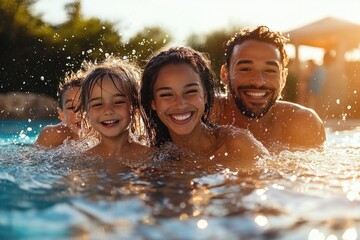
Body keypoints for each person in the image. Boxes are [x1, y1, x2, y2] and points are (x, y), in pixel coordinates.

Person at [140, 46, 269, 169]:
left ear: (206, 95)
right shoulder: (152, 157)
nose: (180, 104)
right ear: (153, 102)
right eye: (167, 94)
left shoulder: (236, 144)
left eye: (190, 91)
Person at [219, 26, 326, 152]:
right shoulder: (204, 116)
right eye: (246, 69)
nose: (258, 81)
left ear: (283, 78)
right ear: (225, 75)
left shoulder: (304, 124)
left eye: (270, 71)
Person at [80, 56, 149, 164]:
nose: (108, 111)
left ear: (135, 107)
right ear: (86, 112)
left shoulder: (150, 156)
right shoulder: (81, 160)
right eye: (98, 104)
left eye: (118, 102)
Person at [35, 71, 83, 148]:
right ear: (62, 115)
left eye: (85, 106)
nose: (79, 113)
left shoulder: (105, 135)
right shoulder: (53, 135)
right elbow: (30, 159)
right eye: (71, 107)